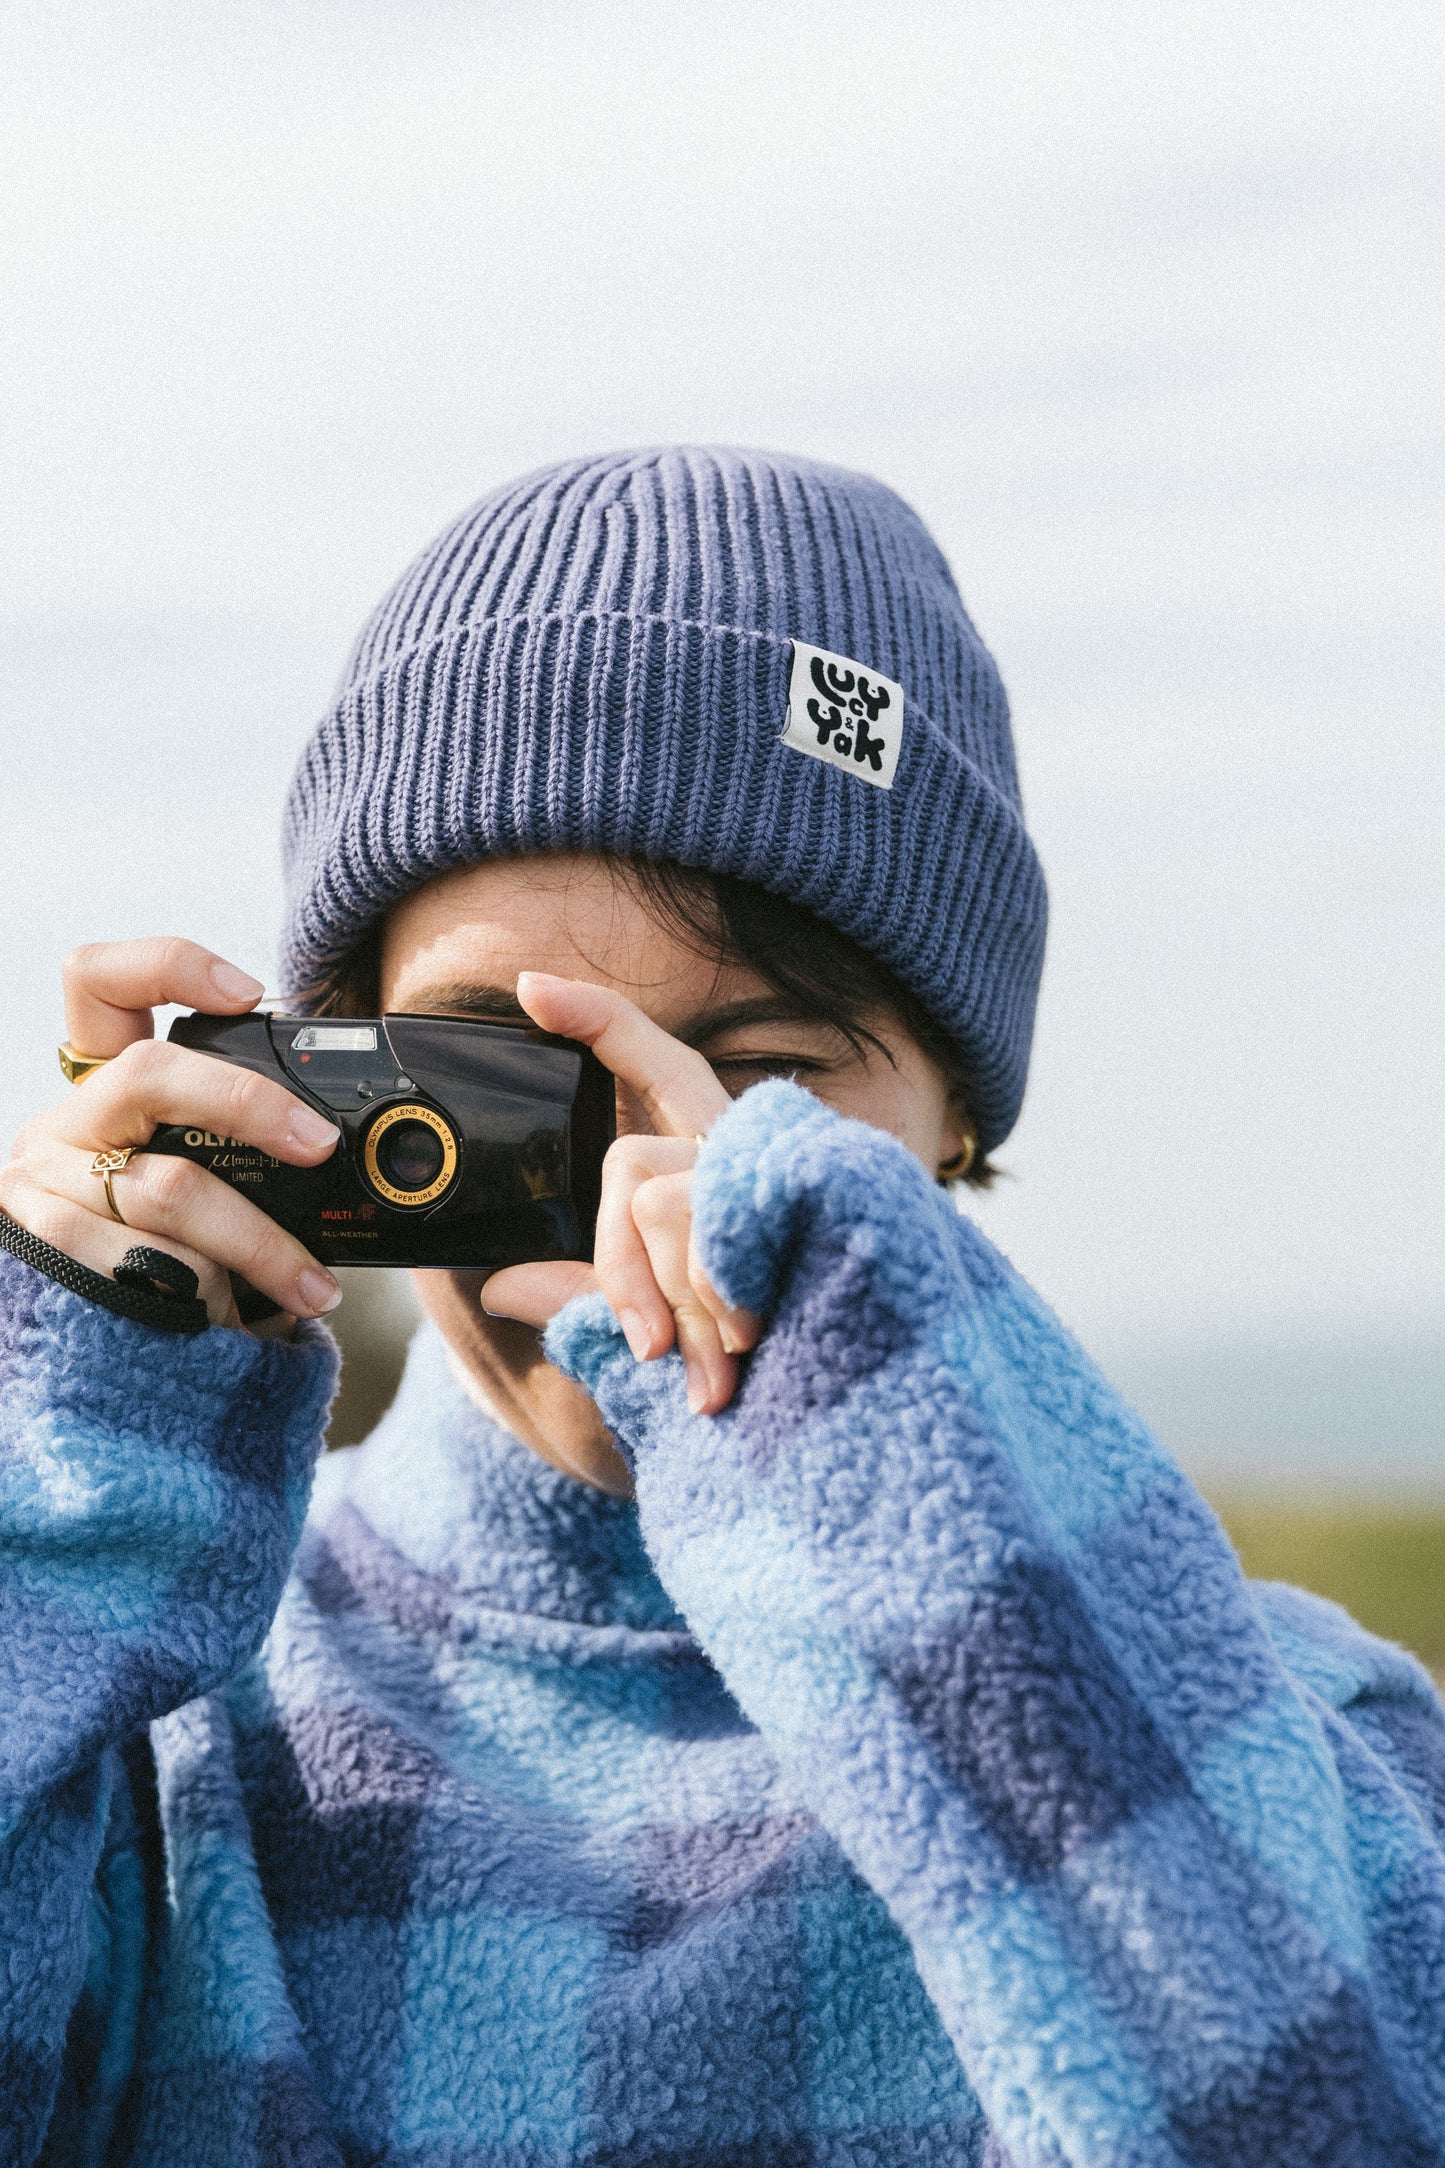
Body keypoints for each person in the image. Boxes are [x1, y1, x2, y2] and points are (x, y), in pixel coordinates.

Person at [1, 449, 1442, 2168]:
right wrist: (63, 1485)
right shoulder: (140, 1728)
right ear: (338, 1077)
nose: (626, 1182)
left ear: (954, 1121)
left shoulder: (1291, 1741)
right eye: (503, 1077)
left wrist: (883, 1452)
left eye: (753, 1081)